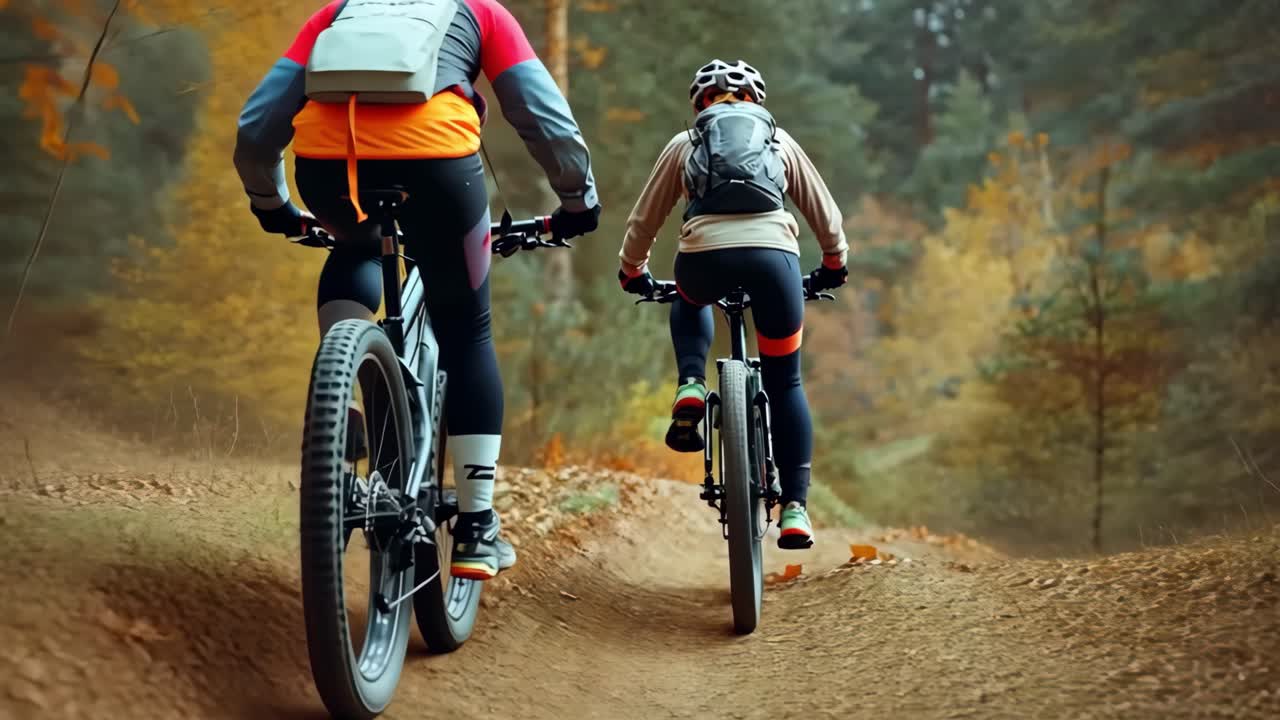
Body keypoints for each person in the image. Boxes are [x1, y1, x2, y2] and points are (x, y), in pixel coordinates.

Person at [233, 0, 600, 580]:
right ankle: (477, 528)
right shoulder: (481, 14)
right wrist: (578, 200)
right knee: (466, 327)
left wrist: (270, 203)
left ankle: (347, 395)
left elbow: (258, 127)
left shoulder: (337, 14)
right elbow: (542, 117)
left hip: (329, 167)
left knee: (355, 245)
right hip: (438, 165)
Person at [617, 59, 848, 549]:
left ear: (700, 102)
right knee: (786, 381)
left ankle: (691, 385)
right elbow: (825, 215)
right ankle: (795, 510)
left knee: (689, 295)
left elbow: (645, 221)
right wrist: (834, 263)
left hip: (704, 260)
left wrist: (632, 270)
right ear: (756, 101)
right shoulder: (779, 142)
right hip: (775, 264)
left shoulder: (685, 144)